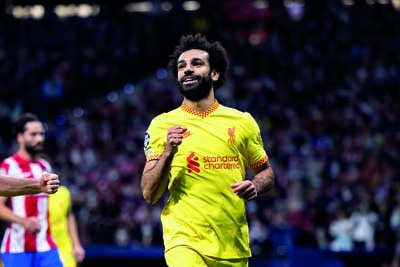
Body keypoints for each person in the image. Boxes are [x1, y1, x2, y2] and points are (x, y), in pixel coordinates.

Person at [141, 33, 275, 267]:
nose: (187, 70)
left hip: (232, 243)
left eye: (197, 64)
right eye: (182, 67)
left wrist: (255, 185)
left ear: (214, 73)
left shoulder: (242, 122)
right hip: (184, 240)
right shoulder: (162, 124)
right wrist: (167, 153)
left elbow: (266, 172)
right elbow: (149, 193)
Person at [0, 113, 63, 267]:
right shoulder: (8, 166)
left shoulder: (45, 167)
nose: (40, 139)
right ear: (20, 136)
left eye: (41, 134)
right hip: (17, 248)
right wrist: (23, 221)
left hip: (46, 246)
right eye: (33, 134)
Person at [49, 185, 86, 267]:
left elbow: (69, 216)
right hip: (45, 248)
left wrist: (76, 245)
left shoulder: (63, 192)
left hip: (64, 247)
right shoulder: (35, 197)